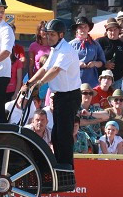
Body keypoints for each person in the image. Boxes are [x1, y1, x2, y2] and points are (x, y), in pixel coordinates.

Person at [20, 18, 80, 169]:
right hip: (59, 96)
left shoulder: (65, 50)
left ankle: (66, 168)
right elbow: (44, 69)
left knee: (64, 134)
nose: (49, 37)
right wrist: (28, 83)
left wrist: (40, 84)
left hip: (70, 96)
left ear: (61, 35)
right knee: (56, 134)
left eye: (52, 34)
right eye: (47, 34)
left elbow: (55, 70)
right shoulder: (55, 49)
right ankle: (58, 165)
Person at [69, 16, 106, 87]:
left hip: (91, 81)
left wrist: (94, 63)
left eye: (85, 26)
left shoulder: (95, 44)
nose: (83, 29)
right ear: (77, 29)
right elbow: (65, 62)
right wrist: (77, 63)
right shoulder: (71, 45)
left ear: (88, 28)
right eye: (80, 27)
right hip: (74, 81)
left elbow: (102, 62)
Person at [97, 19, 123, 89]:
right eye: (110, 30)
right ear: (106, 31)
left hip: (117, 80)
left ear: (119, 30)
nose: (113, 32)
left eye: (115, 29)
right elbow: (93, 58)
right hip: (102, 80)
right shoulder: (100, 42)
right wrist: (104, 64)